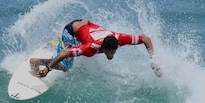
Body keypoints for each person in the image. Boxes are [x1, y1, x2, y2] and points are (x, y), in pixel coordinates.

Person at [30, 19, 162, 77]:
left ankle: (69, 40)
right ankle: (37, 61)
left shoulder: (119, 39)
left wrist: (153, 60)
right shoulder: (91, 48)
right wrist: (48, 69)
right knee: (66, 67)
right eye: (109, 52)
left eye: (113, 52)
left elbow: (146, 39)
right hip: (71, 29)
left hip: (84, 26)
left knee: (75, 47)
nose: (111, 55)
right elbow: (64, 54)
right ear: (102, 48)